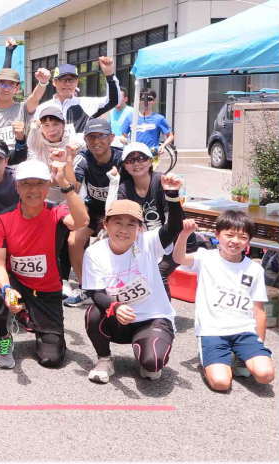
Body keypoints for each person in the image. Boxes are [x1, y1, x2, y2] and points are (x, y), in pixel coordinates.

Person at [0, 158, 89, 369]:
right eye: (26, 184)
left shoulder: (57, 212)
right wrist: (6, 289)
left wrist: (65, 184)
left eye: (39, 183)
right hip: (17, 284)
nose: (33, 189)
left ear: (48, 186)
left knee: (51, 359)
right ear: (17, 187)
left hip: (47, 290)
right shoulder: (2, 219)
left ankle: (28, 318)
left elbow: (82, 221)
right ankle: (4, 336)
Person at [83, 193, 183, 383]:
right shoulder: (94, 252)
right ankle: (104, 359)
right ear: (106, 224)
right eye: (117, 222)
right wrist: (115, 307)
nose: (123, 229)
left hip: (152, 319)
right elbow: (95, 292)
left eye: (131, 224)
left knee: (152, 364)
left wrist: (172, 195)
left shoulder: (147, 242)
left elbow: (174, 227)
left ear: (140, 228)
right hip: (118, 319)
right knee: (93, 313)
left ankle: (146, 355)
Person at [173, 212, 275, 391]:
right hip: (212, 331)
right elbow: (179, 258)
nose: (235, 241)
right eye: (229, 235)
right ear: (217, 235)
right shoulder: (206, 258)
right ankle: (211, 362)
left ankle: (241, 357)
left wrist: (259, 341)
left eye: (242, 237)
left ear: (249, 241)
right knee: (221, 383)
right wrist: (184, 235)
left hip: (244, 331)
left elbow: (259, 310)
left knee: (265, 375)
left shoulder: (255, 269)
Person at [106, 142, 193, 296]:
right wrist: (114, 182)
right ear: (124, 165)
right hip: (145, 243)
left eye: (141, 158)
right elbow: (114, 215)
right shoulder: (124, 188)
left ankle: (164, 309)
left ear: (151, 161)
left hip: (175, 242)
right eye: (130, 160)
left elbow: (173, 224)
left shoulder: (162, 181)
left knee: (158, 271)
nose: (136, 163)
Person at [64, 118, 124, 308]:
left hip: (118, 211)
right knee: (74, 240)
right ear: (85, 139)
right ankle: (87, 287)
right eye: (91, 137)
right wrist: (69, 160)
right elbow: (74, 186)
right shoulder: (83, 157)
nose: (96, 141)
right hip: (93, 208)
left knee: (105, 245)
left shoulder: (122, 158)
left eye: (101, 136)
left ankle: (116, 287)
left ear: (111, 137)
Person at [34, 59, 118, 137]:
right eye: (63, 80)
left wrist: (109, 75)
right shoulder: (43, 108)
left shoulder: (86, 103)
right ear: (54, 82)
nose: (67, 84)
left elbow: (113, 101)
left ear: (77, 82)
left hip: (78, 147)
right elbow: (35, 135)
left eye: (71, 80)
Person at [0, 67, 49, 147]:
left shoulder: (23, 109)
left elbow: (35, 97)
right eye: (2, 83)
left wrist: (42, 83)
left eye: (11, 85)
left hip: (20, 154)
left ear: (17, 88)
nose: (6, 89)